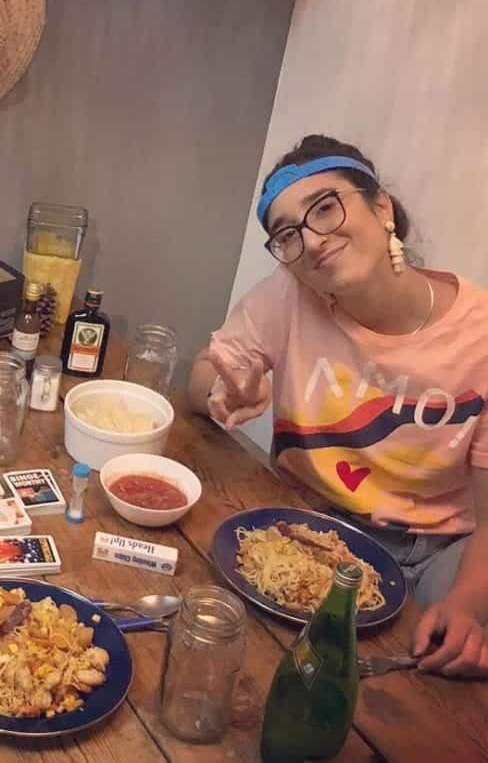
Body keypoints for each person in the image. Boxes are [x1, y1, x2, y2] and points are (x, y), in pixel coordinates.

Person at [188, 134, 488, 679]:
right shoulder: (287, 296)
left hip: (441, 549)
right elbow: (203, 373)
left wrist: (466, 604)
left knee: (452, 672)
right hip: (309, 528)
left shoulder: (481, 336)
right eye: (288, 234)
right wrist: (222, 390)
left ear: (381, 207)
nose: (312, 240)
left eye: (325, 208)